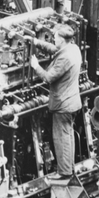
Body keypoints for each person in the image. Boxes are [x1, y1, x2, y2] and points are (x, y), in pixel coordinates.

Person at [29, 24, 83, 184]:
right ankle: (69, 168)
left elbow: (48, 77)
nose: (54, 39)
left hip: (63, 105)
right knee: (68, 136)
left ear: (63, 39)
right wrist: (36, 42)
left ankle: (64, 173)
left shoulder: (65, 58)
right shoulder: (73, 49)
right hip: (72, 101)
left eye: (56, 38)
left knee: (61, 139)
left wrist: (36, 66)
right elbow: (54, 50)